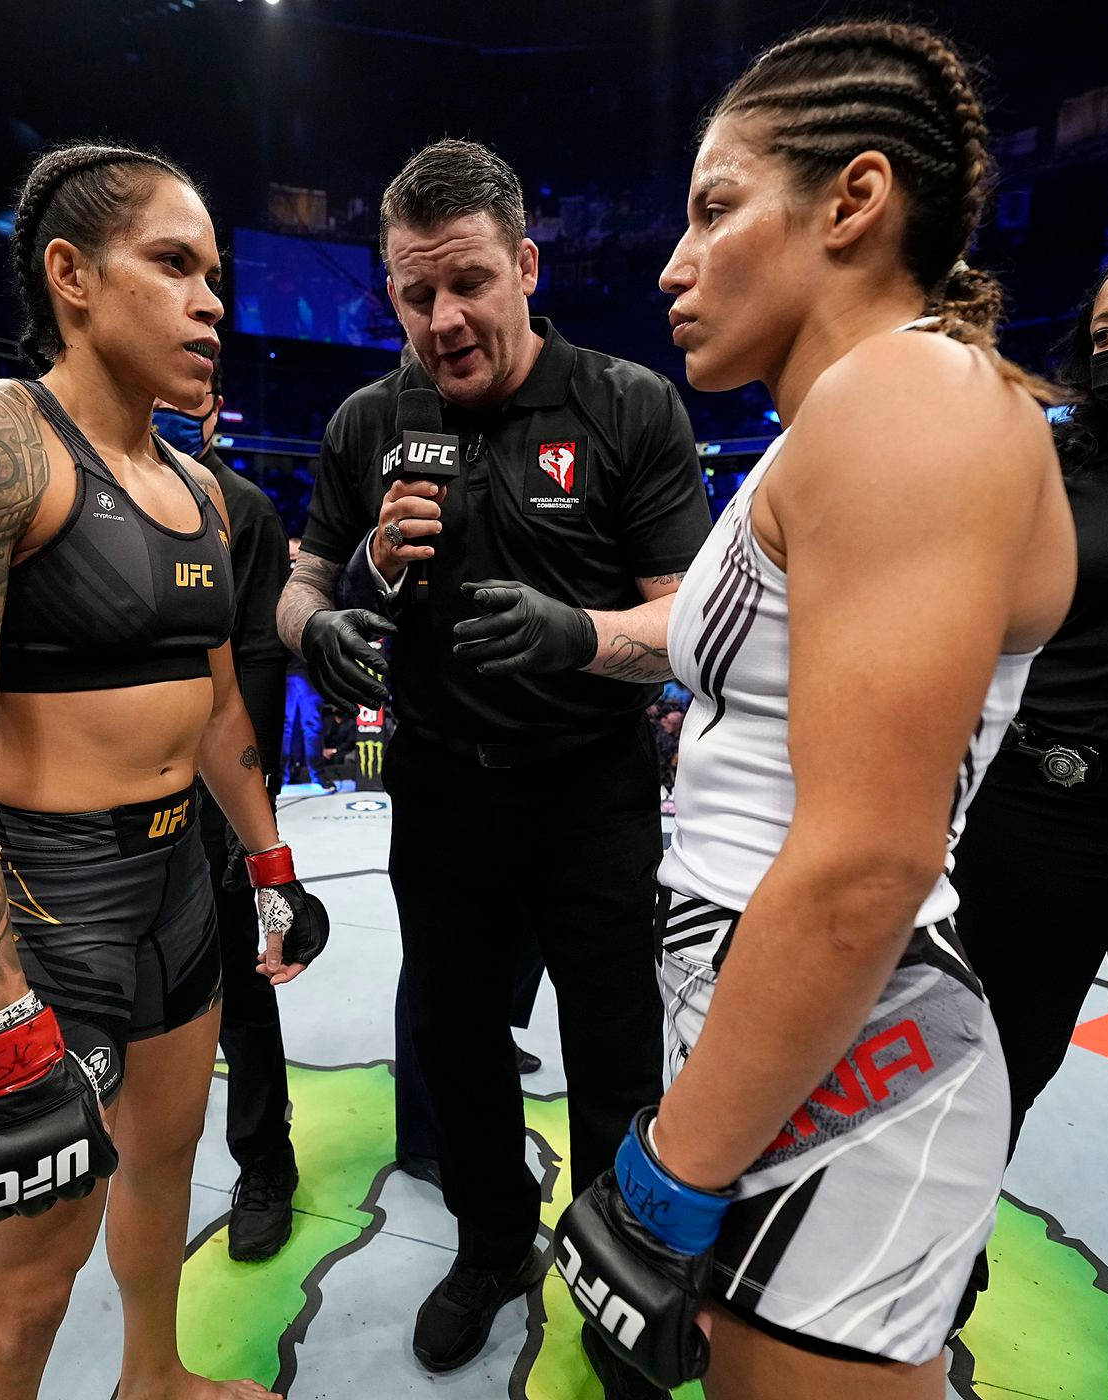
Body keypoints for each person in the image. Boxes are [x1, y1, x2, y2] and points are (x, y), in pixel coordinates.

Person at [548, 22, 1077, 1398]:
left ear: (854, 201)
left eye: (716, 208)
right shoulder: (865, 409)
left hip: (849, 1029)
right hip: (783, 1010)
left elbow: (865, 862)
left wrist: (669, 1176)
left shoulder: (913, 392)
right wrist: (581, 635)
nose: (673, 263)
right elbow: (758, 663)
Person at [0, 142, 327, 1400]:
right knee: (25, 1279)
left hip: (182, 880)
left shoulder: (198, 491)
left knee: (167, 1167)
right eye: (174, 264)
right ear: (70, 273)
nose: (212, 300)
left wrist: (269, 859)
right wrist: (0, 1022)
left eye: (214, 272)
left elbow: (218, 696)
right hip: (50, 904)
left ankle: (154, 1378)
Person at [277, 137, 710, 1397]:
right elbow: (296, 590)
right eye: (414, 293)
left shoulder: (625, 403)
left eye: (466, 280)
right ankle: (487, 1246)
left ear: (523, 264)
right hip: (444, 793)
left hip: (593, 793)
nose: (442, 318)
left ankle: (627, 1277)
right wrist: (333, 625)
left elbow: (683, 620)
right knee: (457, 1042)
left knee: (618, 1052)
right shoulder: (370, 418)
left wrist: (582, 636)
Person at [950, 234, 1108, 1261]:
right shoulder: (1055, 457)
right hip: (1043, 812)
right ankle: (919, 1311)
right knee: (982, 1083)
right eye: (1107, 329)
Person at [154, 375, 300, 1262]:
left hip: (210, 800)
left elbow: (252, 683)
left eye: (205, 386)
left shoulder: (239, 510)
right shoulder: (61, 481)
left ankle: (264, 1164)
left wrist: (259, 842)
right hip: (91, 814)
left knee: (242, 989)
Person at [281, 538, 330, 790]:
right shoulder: (282, 578)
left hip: (302, 666)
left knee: (301, 724)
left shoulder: (310, 580)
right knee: (295, 725)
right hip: (291, 667)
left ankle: (307, 776)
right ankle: (294, 776)